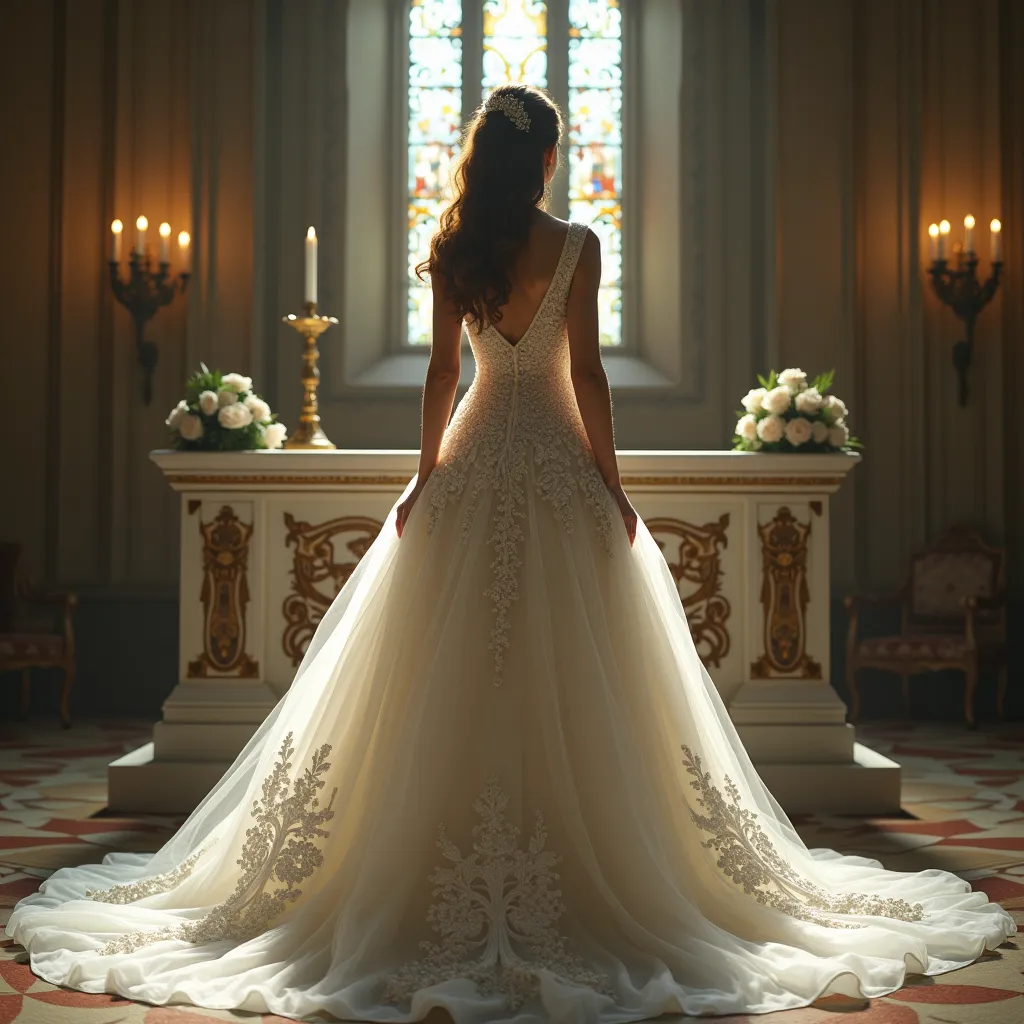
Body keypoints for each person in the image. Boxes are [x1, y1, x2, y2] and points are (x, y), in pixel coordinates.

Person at [9, 84, 1014, 1024]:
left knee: (443, 673)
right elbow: (590, 379)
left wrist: (425, 479)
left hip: (475, 457)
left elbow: (444, 375)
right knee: (579, 671)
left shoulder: (456, 250)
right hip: (557, 468)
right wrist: (609, 486)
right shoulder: (576, 245)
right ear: (540, 163)